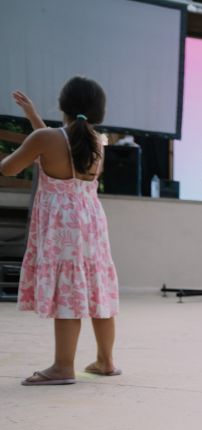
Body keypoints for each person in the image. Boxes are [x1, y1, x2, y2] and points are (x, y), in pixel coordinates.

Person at [0, 79, 120, 385]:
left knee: (68, 287)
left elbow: (10, 167)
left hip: (62, 225)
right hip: (90, 221)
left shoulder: (46, 139)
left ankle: (63, 367)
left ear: (63, 105)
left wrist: (31, 129)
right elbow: (62, 146)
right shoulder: (95, 142)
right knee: (95, 285)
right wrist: (33, 117)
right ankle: (106, 361)